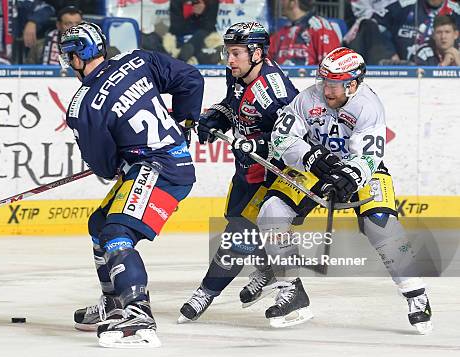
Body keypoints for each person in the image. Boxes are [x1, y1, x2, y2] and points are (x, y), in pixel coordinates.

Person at [242, 47, 433, 333]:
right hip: (315, 165)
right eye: (325, 81)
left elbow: (369, 156)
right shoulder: (308, 98)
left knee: (380, 224)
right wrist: (308, 156)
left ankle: (415, 293)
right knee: (271, 212)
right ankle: (291, 290)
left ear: (353, 84)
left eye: (335, 83)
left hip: (359, 169)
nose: (327, 89)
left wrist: (351, 175)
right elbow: (281, 137)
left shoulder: (369, 106)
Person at [59, 22, 204, 348]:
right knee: (99, 224)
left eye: (70, 57)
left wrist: (120, 160)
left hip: (159, 170)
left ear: (78, 58)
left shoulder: (84, 105)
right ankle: (112, 302)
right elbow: (190, 80)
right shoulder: (138, 61)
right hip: (169, 162)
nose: (70, 65)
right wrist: (184, 123)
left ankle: (138, 313)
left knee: (116, 233)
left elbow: (105, 167)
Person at [177, 22, 300, 325]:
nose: (229, 60)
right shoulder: (238, 73)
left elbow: (293, 139)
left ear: (256, 53)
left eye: (236, 53)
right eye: (228, 53)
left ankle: (206, 292)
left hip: (271, 175)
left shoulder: (275, 92)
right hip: (245, 170)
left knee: (237, 236)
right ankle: (267, 270)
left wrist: (258, 143)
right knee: (238, 225)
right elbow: (233, 106)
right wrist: (215, 117)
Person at [373, 0, 460, 63]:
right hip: (401, 70)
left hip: (444, 67)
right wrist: (389, 53)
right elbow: (376, 25)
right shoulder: (405, 5)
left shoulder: (456, 11)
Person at [269, 0, 341, 65]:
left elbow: (332, 65)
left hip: (310, 79)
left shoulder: (319, 27)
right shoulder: (282, 32)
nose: (281, 2)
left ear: (293, 2)